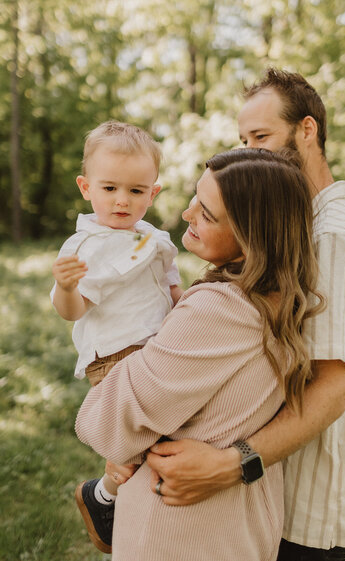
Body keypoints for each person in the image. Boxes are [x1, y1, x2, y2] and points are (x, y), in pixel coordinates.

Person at [143, 68, 345, 561]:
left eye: (261, 137)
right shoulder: (301, 225)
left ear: (307, 130)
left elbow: (332, 386)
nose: (251, 152)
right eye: (243, 139)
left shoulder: (330, 237)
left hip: (310, 506)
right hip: (275, 492)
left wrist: (232, 465)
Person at [75, 147, 324, 561]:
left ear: (250, 241)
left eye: (207, 214)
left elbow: (104, 424)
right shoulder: (286, 302)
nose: (188, 215)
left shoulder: (217, 310)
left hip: (178, 532)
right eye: (196, 197)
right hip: (242, 525)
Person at [51, 120, 182, 553]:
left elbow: (174, 292)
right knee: (142, 442)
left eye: (136, 191)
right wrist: (66, 288)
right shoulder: (83, 247)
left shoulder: (158, 239)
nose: (122, 201)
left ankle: (129, 500)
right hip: (113, 356)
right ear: (86, 187)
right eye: (109, 189)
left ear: (153, 192)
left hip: (158, 347)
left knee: (166, 434)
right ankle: (103, 494)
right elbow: (73, 311)